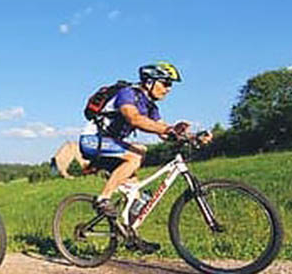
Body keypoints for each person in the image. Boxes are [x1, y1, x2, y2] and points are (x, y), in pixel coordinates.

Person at [79, 62, 212, 252]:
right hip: (93, 141)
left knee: (138, 196)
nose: (168, 89)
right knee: (137, 152)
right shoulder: (127, 93)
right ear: (150, 81)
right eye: (165, 83)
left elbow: (163, 132)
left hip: (112, 147)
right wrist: (168, 129)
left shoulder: (150, 106)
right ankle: (103, 199)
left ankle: (130, 235)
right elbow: (133, 118)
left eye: (170, 85)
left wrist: (191, 136)